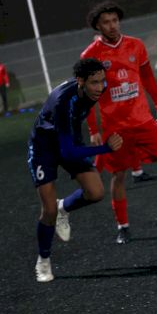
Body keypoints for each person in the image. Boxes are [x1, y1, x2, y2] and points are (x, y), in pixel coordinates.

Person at [81, 1, 157, 244]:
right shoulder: (90, 55)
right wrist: (93, 129)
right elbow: (87, 96)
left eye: (115, 20)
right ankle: (123, 226)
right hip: (116, 127)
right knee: (119, 176)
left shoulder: (136, 45)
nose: (112, 26)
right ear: (97, 26)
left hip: (143, 121)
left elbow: (147, 77)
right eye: (106, 22)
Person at [27, 58, 124, 282]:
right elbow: (68, 152)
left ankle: (65, 207)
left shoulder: (96, 89)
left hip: (69, 139)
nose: (100, 87)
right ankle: (43, 260)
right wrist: (105, 148)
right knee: (48, 210)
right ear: (80, 81)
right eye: (94, 82)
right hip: (44, 148)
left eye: (102, 81)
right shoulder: (62, 102)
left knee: (96, 192)